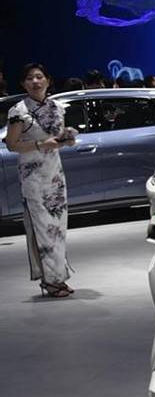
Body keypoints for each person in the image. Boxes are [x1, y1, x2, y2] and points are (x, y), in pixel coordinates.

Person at [3, 64, 78, 297]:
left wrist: (67, 139)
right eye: (29, 78)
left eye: (39, 77)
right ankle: (51, 280)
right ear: (23, 84)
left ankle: (57, 276)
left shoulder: (57, 107)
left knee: (58, 228)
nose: (35, 81)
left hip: (55, 175)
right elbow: (11, 144)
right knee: (43, 229)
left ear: (48, 80)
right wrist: (40, 144)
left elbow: (57, 138)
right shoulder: (18, 111)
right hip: (33, 178)